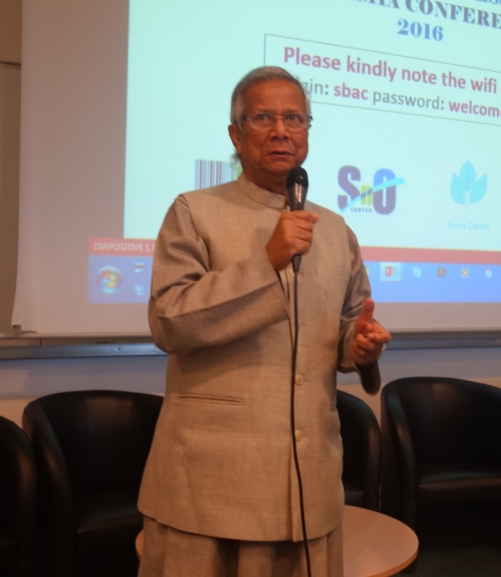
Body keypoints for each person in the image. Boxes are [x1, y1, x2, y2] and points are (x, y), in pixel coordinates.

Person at [137, 66, 392, 577]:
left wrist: (358, 344)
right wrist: (266, 262)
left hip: (309, 479)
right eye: (263, 118)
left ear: (307, 131)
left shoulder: (336, 229)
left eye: (294, 118)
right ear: (236, 135)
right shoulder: (194, 211)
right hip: (211, 480)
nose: (281, 130)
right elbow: (169, 320)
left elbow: (346, 322)